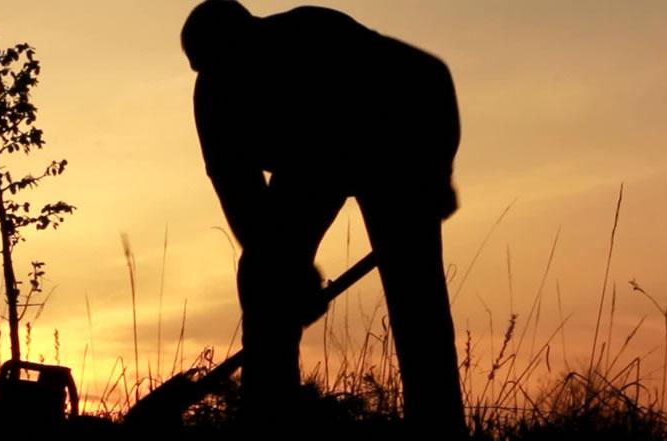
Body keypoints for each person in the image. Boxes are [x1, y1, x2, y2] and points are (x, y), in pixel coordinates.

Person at [181, 1, 466, 436]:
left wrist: (436, 174)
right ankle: (268, 417)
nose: (219, 76)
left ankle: (438, 427)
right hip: (309, 163)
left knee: (415, 295)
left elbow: (431, 77)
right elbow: (240, 195)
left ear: (250, 39)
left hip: (391, 143)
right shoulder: (214, 99)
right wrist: (288, 270)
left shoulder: (314, 37)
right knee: (263, 277)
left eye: (226, 62)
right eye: (207, 69)